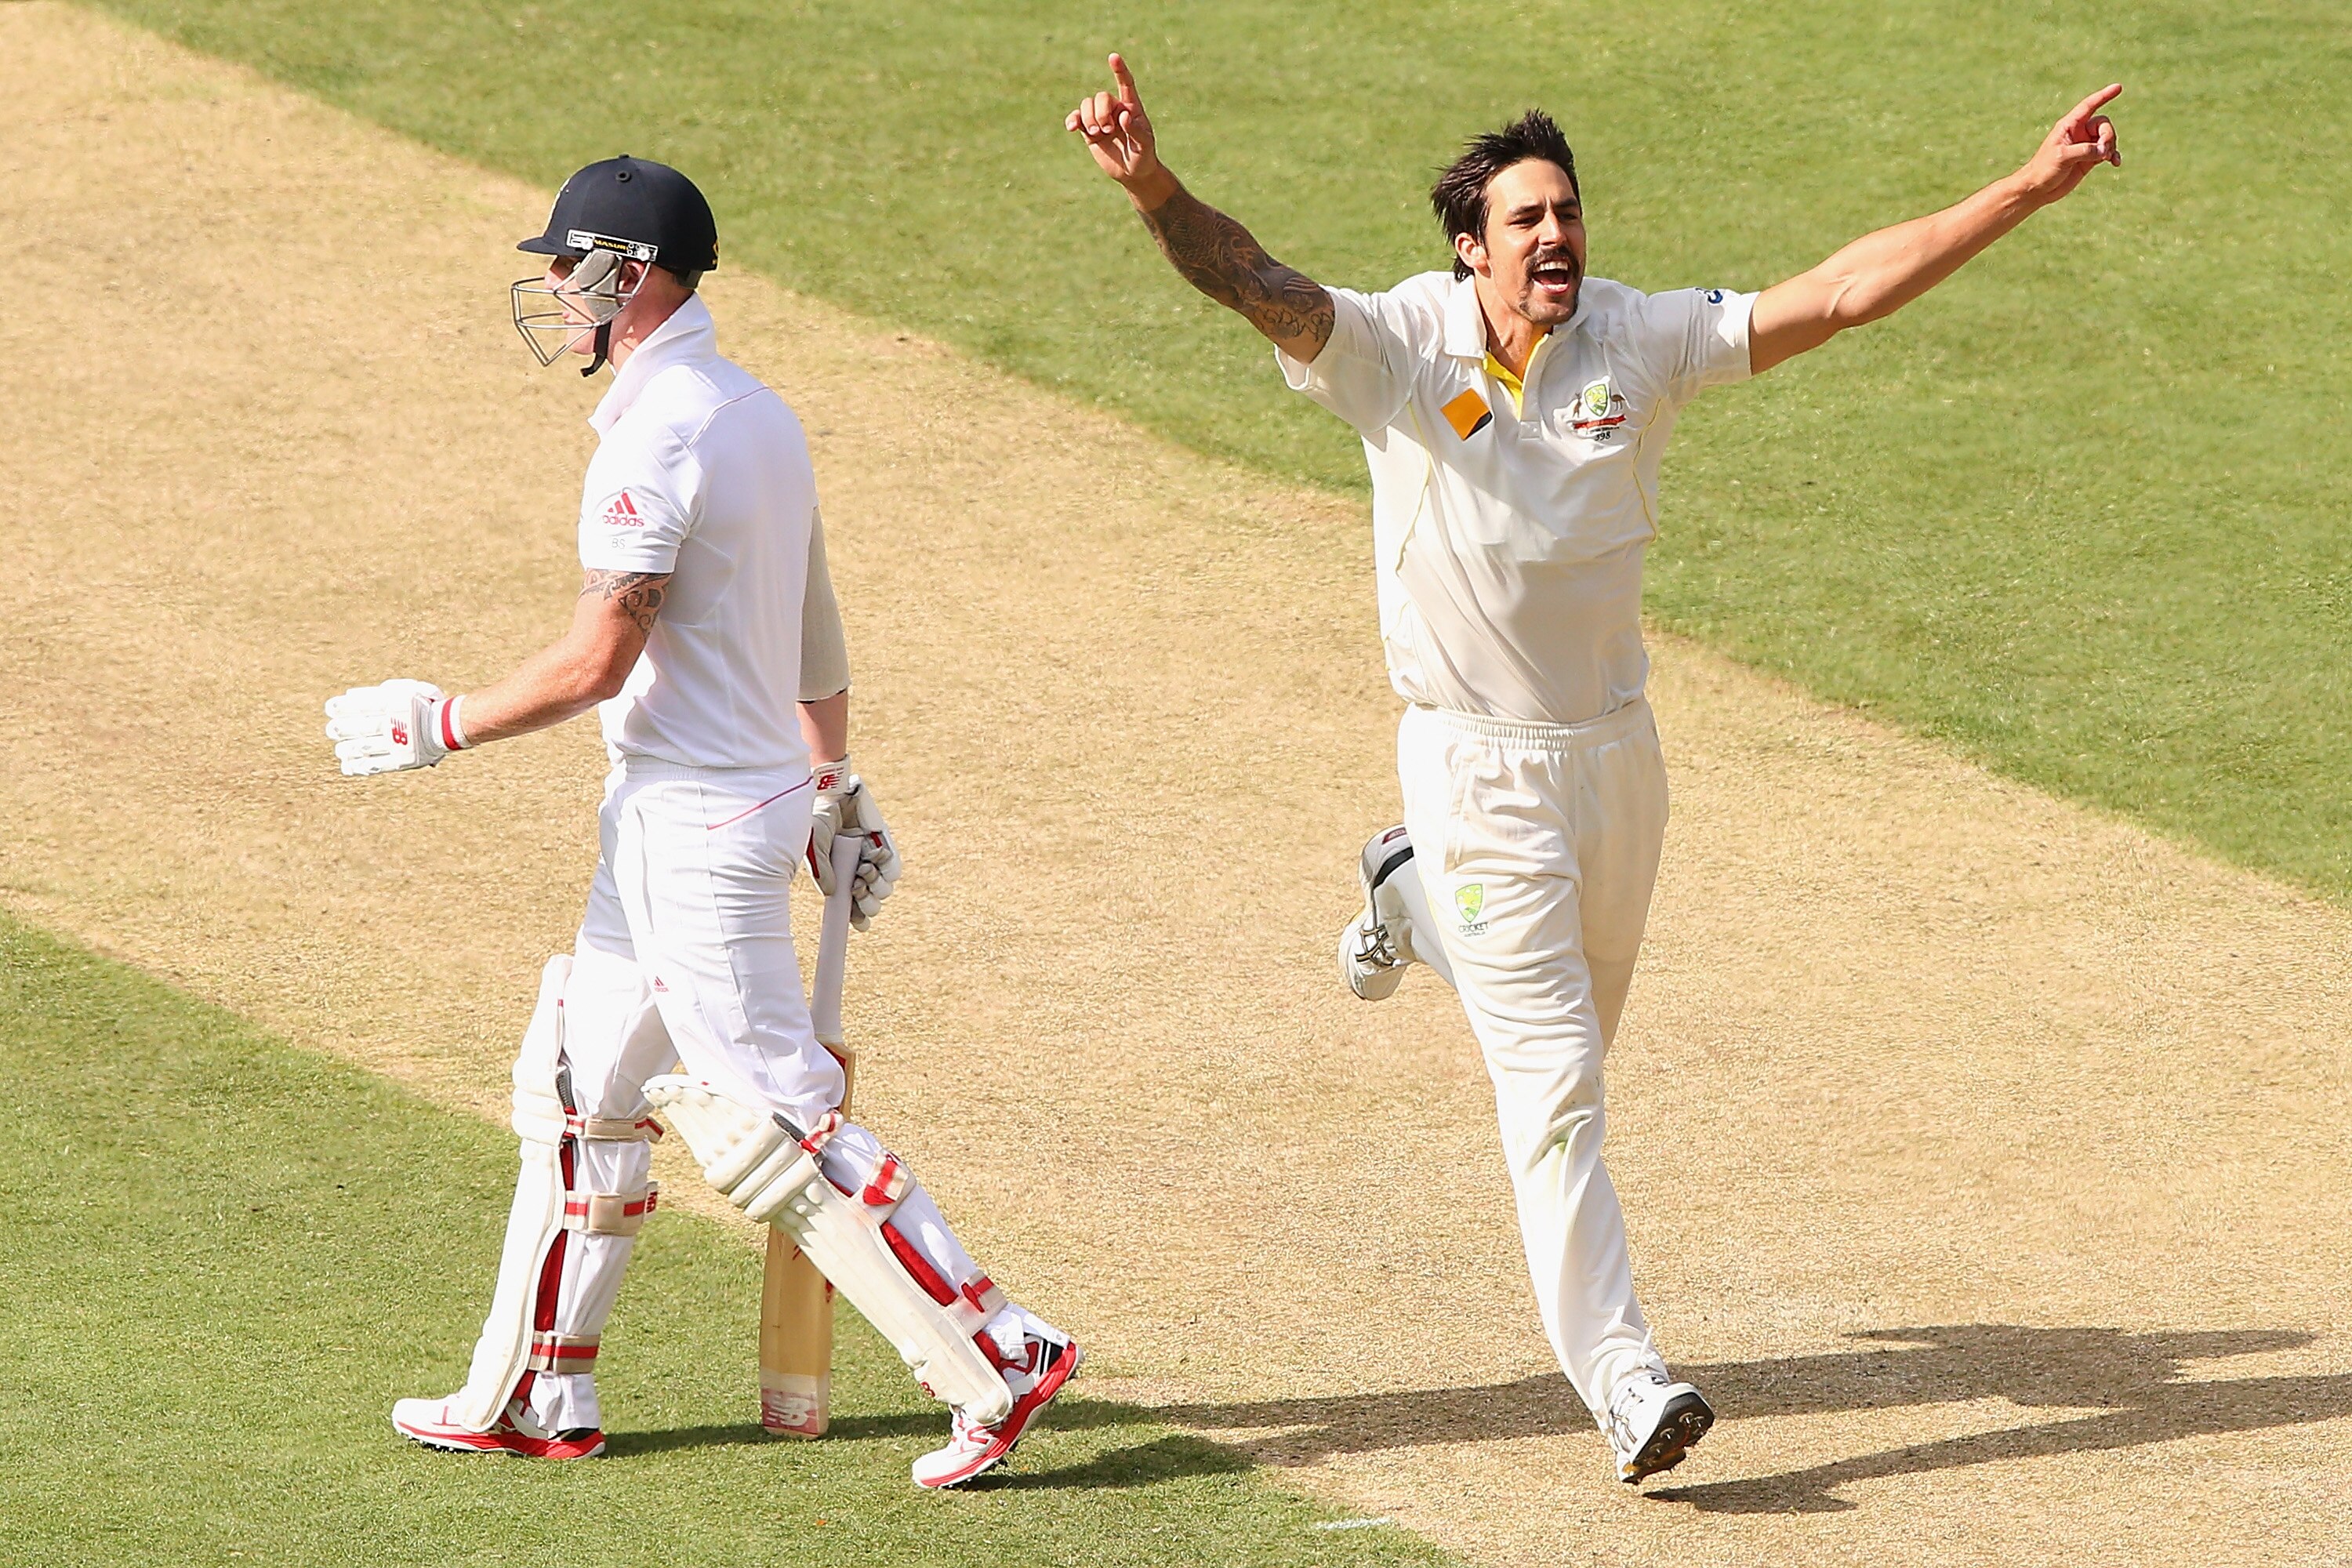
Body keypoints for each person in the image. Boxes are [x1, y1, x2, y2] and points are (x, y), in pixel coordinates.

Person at [1069, 56, 2120, 1484]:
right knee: (1556, 1090)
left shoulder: (1639, 336)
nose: (1556, 235)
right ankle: (1625, 1381)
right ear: (1471, 246)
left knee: (1571, 1050)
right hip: (1473, 769)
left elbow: (1841, 294)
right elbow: (1252, 279)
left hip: (1619, 765)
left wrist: (2028, 187)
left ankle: (1407, 896)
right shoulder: (1397, 347)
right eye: (1526, 219)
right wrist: (1151, 186)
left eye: (1567, 211)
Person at [325, 155, 1078, 1488]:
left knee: (777, 1122)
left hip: (701, 826)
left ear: (628, 272)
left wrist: (439, 723)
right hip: (702, 809)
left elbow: (598, 660)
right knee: (579, 1091)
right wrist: (830, 780)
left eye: (569, 266)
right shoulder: (757, 413)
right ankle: (533, 1391)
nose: (555, 289)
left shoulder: (659, 434)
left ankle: (999, 1352)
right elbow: (814, 622)